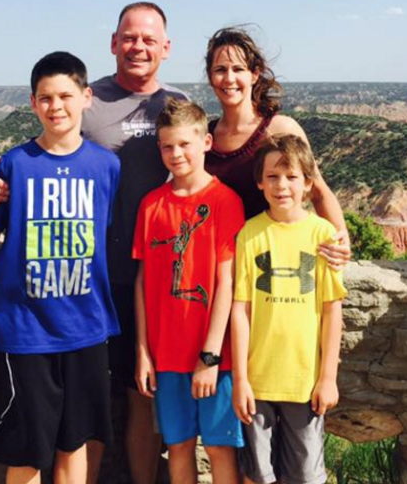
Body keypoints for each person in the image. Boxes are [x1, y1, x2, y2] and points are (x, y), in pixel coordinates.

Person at [0, 3, 186, 484]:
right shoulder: (87, 106)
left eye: (149, 39)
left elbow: (198, 159)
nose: (138, 47)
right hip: (83, 285)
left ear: (166, 48)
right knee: (59, 429)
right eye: (129, 37)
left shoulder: (174, 104)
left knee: (135, 395)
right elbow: (39, 157)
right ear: (114, 42)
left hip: (147, 278)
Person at [0, 52, 121, 484]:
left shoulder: (106, 166)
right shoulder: (14, 165)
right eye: (46, 98)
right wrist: (10, 295)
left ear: (86, 97)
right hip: (28, 335)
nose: (56, 106)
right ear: (33, 103)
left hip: (86, 328)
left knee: (74, 445)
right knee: (28, 453)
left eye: (65, 96)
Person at [133, 99, 245, 484]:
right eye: (167, 146)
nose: (176, 153)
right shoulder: (151, 205)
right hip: (166, 355)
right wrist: (144, 352)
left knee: (218, 448)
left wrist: (210, 357)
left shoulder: (224, 202)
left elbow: (226, 282)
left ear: (206, 143)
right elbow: (143, 281)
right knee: (178, 446)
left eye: (184, 144)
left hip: (214, 357)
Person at [231, 135, 346, 484]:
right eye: (273, 177)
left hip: (304, 380)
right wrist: (240, 380)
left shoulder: (322, 233)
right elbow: (240, 310)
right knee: (257, 474)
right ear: (260, 183)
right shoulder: (250, 234)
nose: (282, 186)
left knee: (306, 476)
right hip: (258, 379)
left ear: (309, 183)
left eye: (292, 177)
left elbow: (331, 311)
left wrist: (328, 378)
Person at [204, 26, 350, 263]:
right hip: (219, 269)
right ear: (211, 76)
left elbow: (318, 192)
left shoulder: (279, 129)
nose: (229, 78)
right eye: (220, 70)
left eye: (238, 69)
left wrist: (340, 239)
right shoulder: (206, 137)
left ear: (254, 74)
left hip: (273, 263)